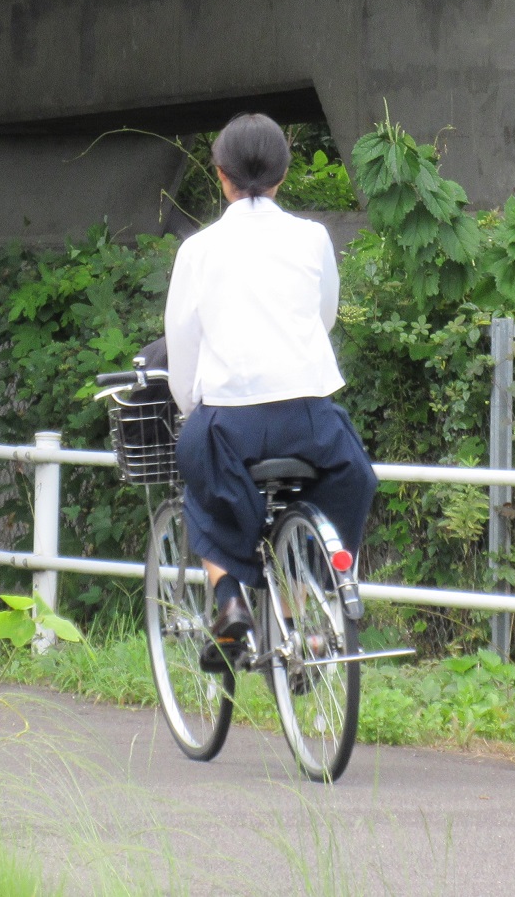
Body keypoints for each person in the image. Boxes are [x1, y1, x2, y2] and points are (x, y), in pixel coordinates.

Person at [164, 113, 378, 667]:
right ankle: (299, 612)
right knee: (349, 478)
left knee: (202, 480)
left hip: (230, 420)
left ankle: (230, 602)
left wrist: (192, 409)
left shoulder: (199, 251)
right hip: (309, 414)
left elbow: (182, 346)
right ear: (283, 175)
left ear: (220, 175)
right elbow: (323, 316)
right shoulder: (312, 238)